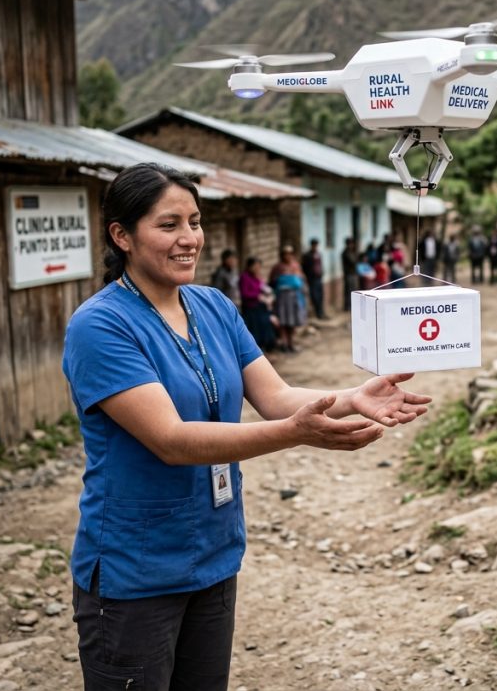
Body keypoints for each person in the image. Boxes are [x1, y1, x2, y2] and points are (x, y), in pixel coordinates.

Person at [62, 163, 431, 690]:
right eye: (168, 225)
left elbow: (276, 396)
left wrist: (351, 398)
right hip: (134, 570)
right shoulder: (101, 326)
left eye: (194, 221)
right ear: (121, 235)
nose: (189, 238)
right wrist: (296, 434)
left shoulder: (213, 306)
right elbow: (170, 439)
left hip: (213, 555)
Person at [270, 245, 307, 353]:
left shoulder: (296, 266)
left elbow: (302, 280)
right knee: (283, 321)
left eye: (290, 253)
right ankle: (284, 343)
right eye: (285, 254)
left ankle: (291, 343)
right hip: (282, 298)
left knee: (293, 321)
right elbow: (272, 282)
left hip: (294, 297)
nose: (288, 256)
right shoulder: (277, 267)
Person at [239, 257, 277, 352]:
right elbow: (245, 293)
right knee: (254, 331)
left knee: (264, 328)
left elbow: (262, 288)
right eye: (255, 266)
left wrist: (267, 294)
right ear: (249, 266)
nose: (257, 268)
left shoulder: (256, 277)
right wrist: (258, 296)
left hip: (260, 308)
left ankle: (265, 350)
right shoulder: (244, 277)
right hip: (250, 309)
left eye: (259, 266)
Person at [300, 238, 327, 320]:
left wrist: (322, 272)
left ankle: (321, 312)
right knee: (315, 296)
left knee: (321, 295)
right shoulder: (307, 255)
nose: (315, 247)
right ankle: (318, 313)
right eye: (314, 245)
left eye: (316, 245)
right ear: (312, 245)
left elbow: (320, 265)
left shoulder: (318, 254)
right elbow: (304, 267)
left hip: (319, 278)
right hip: (312, 279)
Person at [341, 237, 358, 311]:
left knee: (353, 290)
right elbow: (353, 261)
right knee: (349, 291)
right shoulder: (346, 252)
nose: (351, 245)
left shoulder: (351, 252)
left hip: (352, 274)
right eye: (350, 243)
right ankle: (347, 306)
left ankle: (351, 305)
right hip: (349, 274)